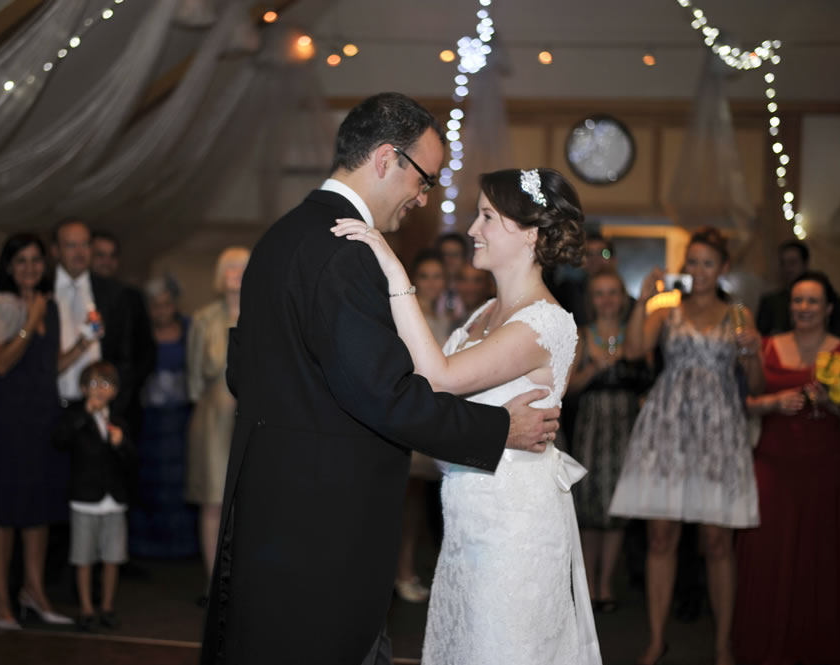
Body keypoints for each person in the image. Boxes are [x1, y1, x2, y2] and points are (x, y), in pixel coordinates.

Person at [199, 93, 559, 665]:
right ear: (388, 159)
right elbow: (383, 395)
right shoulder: (346, 251)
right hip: (327, 521)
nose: (425, 196)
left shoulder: (279, 237)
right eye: (427, 180)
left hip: (270, 501)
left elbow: (244, 369)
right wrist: (497, 430)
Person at [335, 166, 600, 663]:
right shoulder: (484, 314)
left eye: (486, 217)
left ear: (529, 233)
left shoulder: (543, 322)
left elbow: (439, 379)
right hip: (467, 517)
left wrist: (397, 275)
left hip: (514, 523)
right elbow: (427, 391)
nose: (473, 229)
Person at [609, 226, 764, 665]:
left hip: (718, 429)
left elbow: (755, 386)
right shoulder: (666, 308)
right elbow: (635, 349)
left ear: (724, 268)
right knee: (661, 537)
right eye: (691, 262)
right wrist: (643, 299)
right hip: (668, 426)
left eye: (706, 263)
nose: (697, 270)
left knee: (717, 541)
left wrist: (752, 354)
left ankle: (722, 645)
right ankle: (657, 639)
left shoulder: (739, 315)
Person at [734, 272, 840, 664]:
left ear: (828, 308)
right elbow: (743, 401)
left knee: (816, 557)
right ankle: (761, 647)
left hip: (824, 464)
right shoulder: (767, 345)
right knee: (766, 554)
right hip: (773, 462)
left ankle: (810, 650)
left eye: (812, 302)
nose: (803, 308)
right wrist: (773, 403)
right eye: (797, 301)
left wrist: (833, 406)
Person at [0, 233, 73, 630]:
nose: (29, 267)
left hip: (42, 420)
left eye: (36, 260)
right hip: (8, 423)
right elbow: (0, 364)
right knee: (3, 512)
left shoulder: (50, 306)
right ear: (8, 266)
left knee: (38, 512)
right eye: (20, 260)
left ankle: (33, 591)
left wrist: (85, 344)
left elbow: (47, 367)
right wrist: (32, 320)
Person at [567, 268, 651, 614]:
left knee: (616, 506)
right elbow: (566, 387)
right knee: (589, 506)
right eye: (599, 293)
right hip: (591, 423)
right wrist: (593, 369)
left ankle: (606, 584)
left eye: (613, 292)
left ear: (622, 297)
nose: (606, 300)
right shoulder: (581, 335)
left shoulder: (636, 333)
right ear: (591, 300)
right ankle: (587, 584)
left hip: (624, 425)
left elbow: (646, 372)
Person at [52, 360, 136, 632]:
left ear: (115, 391)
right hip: (84, 500)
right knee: (83, 557)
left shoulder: (119, 421)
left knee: (112, 557)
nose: (100, 390)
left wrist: (121, 444)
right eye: (94, 384)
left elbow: (133, 461)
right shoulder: (76, 418)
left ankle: (107, 606)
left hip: (113, 500)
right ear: (83, 388)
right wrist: (83, 415)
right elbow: (59, 440)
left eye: (106, 384)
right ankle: (86, 607)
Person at [185, 248, 248, 585]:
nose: (236, 272)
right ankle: (213, 583)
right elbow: (193, 379)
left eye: (243, 266)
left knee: (249, 503)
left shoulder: (263, 315)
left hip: (252, 418)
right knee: (211, 501)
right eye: (230, 267)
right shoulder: (202, 319)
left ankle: (241, 581)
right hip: (211, 420)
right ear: (219, 274)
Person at [393, 249, 451, 603]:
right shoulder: (409, 315)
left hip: (433, 415)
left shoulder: (443, 317)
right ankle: (401, 571)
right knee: (404, 502)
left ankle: (406, 569)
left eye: (437, 275)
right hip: (413, 411)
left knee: (414, 505)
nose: (431, 282)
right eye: (425, 275)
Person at [128, 276, 196, 559]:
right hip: (149, 421)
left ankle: (184, 546)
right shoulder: (139, 333)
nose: (162, 309)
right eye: (155, 305)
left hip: (182, 419)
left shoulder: (191, 329)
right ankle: (147, 546)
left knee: (182, 480)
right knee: (148, 481)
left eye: (166, 303)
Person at [52, 221, 141, 425]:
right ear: (55, 251)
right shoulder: (42, 292)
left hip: (101, 409)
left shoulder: (113, 293)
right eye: (71, 245)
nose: (79, 252)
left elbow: (126, 359)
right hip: (51, 408)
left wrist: (114, 408)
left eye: (85, 244)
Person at [89, 229, 155, 436]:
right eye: (100, 255)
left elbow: (146, 347)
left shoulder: (131, 297)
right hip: (85, 397)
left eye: (112, 256)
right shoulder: (77, 295)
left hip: (125, 401)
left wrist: (128, 384)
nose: (106, 261)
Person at [755, 239, 840, 339]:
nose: (787, 269)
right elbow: (761, 339)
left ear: (805, 264)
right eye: (783, 263)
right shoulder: (770, 301)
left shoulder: (828, 295)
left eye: (792, 263)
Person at [434, 232, 468, 321]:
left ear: (464, 257)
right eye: (444, 254)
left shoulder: (474, 289)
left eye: (455, 255)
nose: (449, 259)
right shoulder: (428, 288)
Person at [453, 263, 494, 328]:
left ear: (489, 285)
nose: (470, 288)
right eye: (464, 280)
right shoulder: (455, 320)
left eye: (477, 281)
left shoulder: (493, 320)